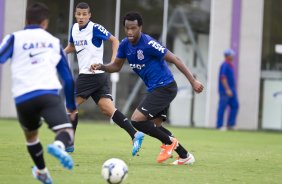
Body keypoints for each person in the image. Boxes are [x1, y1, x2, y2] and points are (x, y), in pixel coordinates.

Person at [91, 12, 204, 165]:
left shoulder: (149, 44)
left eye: (133, 28)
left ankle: (170, 143)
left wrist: (193, 81)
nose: (130, 32)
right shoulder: (125, 44)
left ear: (140, 28)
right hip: (155, 89)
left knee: (137, 120)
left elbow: (175, 59)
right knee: (155, 126)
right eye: (127, 28)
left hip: (165, 87)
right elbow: (116, 66)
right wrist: (102, 66)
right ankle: (185, 156)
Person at [0, 2, 77, 184]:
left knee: (31, 136)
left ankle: (41, 171)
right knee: (66, 131)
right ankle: (59, 145)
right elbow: (68, 79)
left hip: (22, 97)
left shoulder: (14, 38)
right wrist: (72, 106)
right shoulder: (53, 42)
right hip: (47, 94)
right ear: (45, 23)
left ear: (26, 20)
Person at [64, 2, 144, 156]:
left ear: (89, 15)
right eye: (78, 14)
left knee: (70, 107)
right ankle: (135, 134)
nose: (81, 17)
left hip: (90, 76)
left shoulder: (95, 28)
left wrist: (113, 63)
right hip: (96, 77)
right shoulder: (74, 29)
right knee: (107, 109)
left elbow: (115, 40)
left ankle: (69, 143)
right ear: (75, 14)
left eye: (84, 14)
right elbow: (72, 46)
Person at [216, 49, 239, 130]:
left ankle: (231, 125)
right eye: (231, 55)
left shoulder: (230, 65)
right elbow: (223, 77)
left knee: (235, 106)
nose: (233, 56)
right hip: (225, 91)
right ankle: (219, 125)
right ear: (228, 56)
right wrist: (227, 89)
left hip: (232, 90)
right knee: (222, 107)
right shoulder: (225, 65)